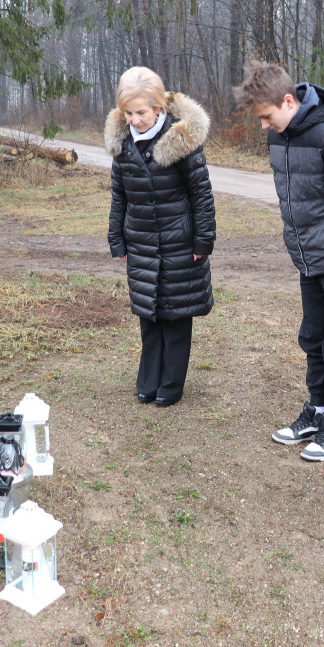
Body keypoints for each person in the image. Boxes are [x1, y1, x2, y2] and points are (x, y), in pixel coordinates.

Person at [233, 60, 324, 462]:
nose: (262, 125)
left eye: (266, 116)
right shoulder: (279, 136)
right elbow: (295, 199)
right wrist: (297, 250)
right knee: (312, 337)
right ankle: (318, 410)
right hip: (308, 259)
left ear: (289, 101)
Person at [106, 67, 216, 408]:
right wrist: (116, 238)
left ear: (159, 109)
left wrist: (202, 241)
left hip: (179, 244)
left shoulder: (180, 141)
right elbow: (119, 196)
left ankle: (171, 384)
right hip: (140, 243)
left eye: (141, 112)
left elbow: (201, 194)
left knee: (176, 317)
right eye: (129, 113)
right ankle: (148, 381)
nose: (135, 119)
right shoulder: (123, 147)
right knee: (148, 317)